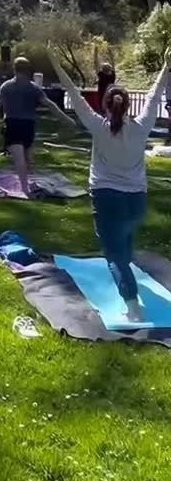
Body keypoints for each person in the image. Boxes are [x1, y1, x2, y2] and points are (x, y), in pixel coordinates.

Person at [49, 46, 171, 325]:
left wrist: (57, 64)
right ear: (127, 106)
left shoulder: (97, 126)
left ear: (105, 105)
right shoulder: (141, 127)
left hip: (107, 199)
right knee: (124, 242)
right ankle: (129, 283)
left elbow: (75, 96)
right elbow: (153, 96)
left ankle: (133, 306)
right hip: (136, 200)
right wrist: (166, 66)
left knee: (115, 257)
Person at [0, 57, 76, 197]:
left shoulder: (6, 86)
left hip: (13, 125)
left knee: (19, 160)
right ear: (28, 70)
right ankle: (30, 183)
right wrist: (66, 119)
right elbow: (50, 104)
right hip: (28, 126)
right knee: (28, 157)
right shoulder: (34, 88)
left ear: (15, 69)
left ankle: (25, 190)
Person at [94, 46, 116, 110]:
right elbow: (113, 63)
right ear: (110, 68)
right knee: (110, 110)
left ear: (102, 69)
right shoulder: (112, 75)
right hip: (111, 95)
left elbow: (96, 63)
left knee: (102, 110)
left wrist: (95, 53)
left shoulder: (101, 75)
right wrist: (110, 53)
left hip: (102, 96)